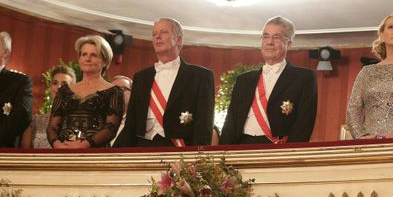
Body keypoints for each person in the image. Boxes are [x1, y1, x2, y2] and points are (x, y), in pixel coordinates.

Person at [113, 18, 214, 147]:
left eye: (163, 32)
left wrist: (198, 159)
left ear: (178, 39)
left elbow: (204, 125)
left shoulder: (200, 76)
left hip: (179, 149)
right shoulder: (141, 77)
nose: (157, 37)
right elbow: (131, 123)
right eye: (154, 34)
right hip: (143, 147)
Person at [220, 16, 317, 144]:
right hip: (242, 146)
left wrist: (290, 154)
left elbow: (304, 124)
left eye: (276, 37)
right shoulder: (243, 80)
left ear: (289, 43)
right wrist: (224, 153)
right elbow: (231, 122)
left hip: (277, 149)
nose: (269, 42)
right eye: (265, 36)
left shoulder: (304, 78)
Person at [47, 35, 124, 148]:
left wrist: (84, 145)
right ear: (79, 59)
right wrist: (58, 145)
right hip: (63, 154)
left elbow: (110, 129)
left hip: (94, 157)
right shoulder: (64, 91)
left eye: (93, 55)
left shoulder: (114, 92)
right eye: (84, 54)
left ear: (104, 61)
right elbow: (52, 127)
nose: (87, 59)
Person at [21, 65, 76, 148]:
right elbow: (24, 153)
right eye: (55, 83)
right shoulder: (34, 121)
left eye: (64, 84)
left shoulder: (78, 121)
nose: (59, 87)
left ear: (73, 89)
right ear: (50, 87)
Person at [109, 75, 132, 145]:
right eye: (113, 89)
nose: (118, 93)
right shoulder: (99, 119)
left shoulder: (137, 122)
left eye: (123, 89)